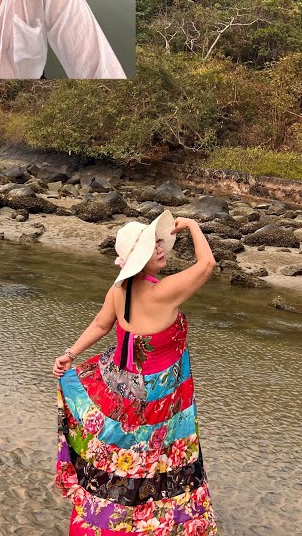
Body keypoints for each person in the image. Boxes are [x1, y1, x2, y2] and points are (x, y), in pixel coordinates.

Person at [52, 210, 218, 535]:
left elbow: (102, 324)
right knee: (160, 461)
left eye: (160, 242)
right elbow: (208, 265)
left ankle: (109, 517)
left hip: (121, 385)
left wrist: (70, 353)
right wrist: (195, 226)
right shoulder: (163, 291)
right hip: (156, 397)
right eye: (153, 245)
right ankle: (152, 524)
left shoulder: (120, 289)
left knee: (123, 459)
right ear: (139, 259)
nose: (161, 249)